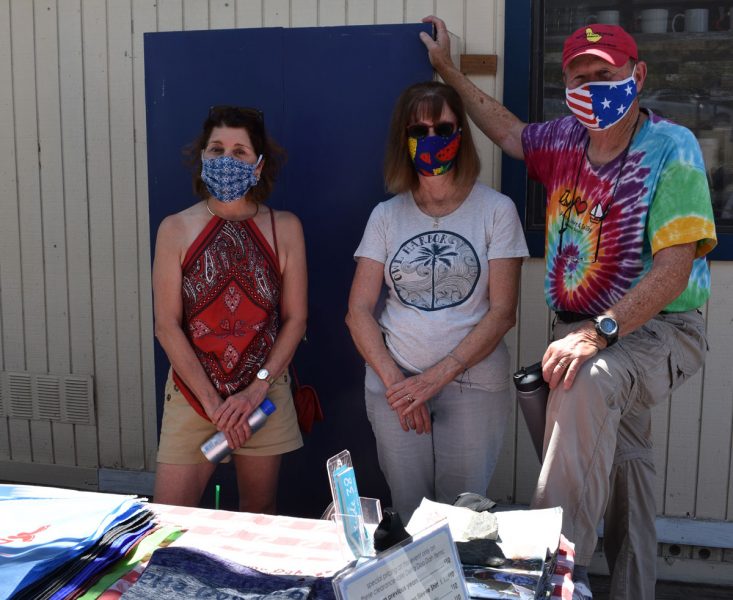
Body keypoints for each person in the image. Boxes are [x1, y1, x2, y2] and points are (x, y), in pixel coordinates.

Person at [419, 17, 717, 600]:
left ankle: (552, 580)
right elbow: (508, 131)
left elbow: (674, 269)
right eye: (578, 78)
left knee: (584, 384)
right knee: (629, 469)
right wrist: (449, 71)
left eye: (604, 75)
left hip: (656, 330)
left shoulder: (671, 148)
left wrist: (598, 334)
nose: (591, 88)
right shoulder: (560, 142)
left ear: (638, 75)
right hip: (587, 331)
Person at [345, 81, 528, 521]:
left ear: (460, 134)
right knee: (410, 513)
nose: (431, 140)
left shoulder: (496, 210)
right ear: (402, 139)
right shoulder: (386, 215)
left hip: (471, 383)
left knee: (459, 516)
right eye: (418, 130)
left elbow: (503, 312)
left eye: (442, 128)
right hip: (395, 385)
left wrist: (435, 378)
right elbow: (357, 312)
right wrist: (398, 385)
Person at [152, 106, 306, 514]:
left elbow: (295, 320)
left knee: (258, 515)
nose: (226, 159)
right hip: (192, 393)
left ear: (258, 166)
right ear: (202, 157)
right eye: (217, 148)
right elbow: (167, 326)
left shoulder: (285, 227)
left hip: (262, 394)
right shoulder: (175, 229)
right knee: (168, 519)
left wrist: (256, 388)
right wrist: (214, 405)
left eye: (239, 152)